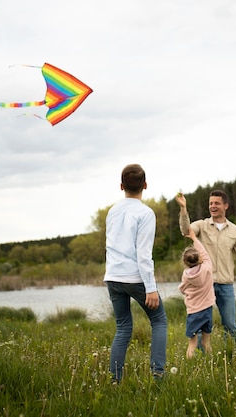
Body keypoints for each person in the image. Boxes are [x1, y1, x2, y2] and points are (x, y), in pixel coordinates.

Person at [104, 164, 167, 383]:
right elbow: (143, 253)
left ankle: (115, 381)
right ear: (145, 185)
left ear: (121, 186)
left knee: (122, 328)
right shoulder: (145, 213)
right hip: (135, 277)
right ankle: (158, 377)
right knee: (159, 321)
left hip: (112, 276)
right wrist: (151, 288)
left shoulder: (113, 211)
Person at [176, 190, 236, 343]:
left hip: (225, 285)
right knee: (199, 327)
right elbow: (186, 231)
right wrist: (183, 209)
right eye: (211, 203)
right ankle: (200, 360)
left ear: (226, 206)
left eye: (217, 203)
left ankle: (231, 358)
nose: (213, 206)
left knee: (230, 325)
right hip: (204, 285)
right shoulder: (201, 225)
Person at [178, 225, 215, 359]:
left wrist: (185, 290)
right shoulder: (207, 267)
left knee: (192, 344)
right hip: (207, 310)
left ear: (185, 262)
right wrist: (194, 237)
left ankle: (189, 364)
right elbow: (204, 252)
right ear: (199, 259)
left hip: (193, 312)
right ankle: (211, 363)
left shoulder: (186, 275)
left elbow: (182, 289)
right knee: (206, 342)